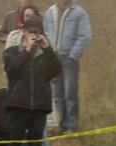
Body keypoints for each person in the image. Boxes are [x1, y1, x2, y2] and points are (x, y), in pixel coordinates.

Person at [2, 15, 60, 146]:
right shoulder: (12, 51)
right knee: (14, 144)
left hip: (39, 106)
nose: (34, 35)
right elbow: (11, 70)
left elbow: (56, 71)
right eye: (31, 32)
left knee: (36, 145)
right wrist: (26, 51)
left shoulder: (45, 54)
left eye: (37, 32)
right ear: (23, 33)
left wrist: (48, 49)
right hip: (18, 105)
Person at [43, 0, 91, 134]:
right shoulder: (49, 12)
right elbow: (45, 32)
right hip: (53, 59)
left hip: (69, 59)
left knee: (70, 92)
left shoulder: (79, 12)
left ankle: (71, 124)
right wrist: (47, 54)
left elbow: (85, 35)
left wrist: (73, 55)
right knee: (57, 93)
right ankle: (60, 123)